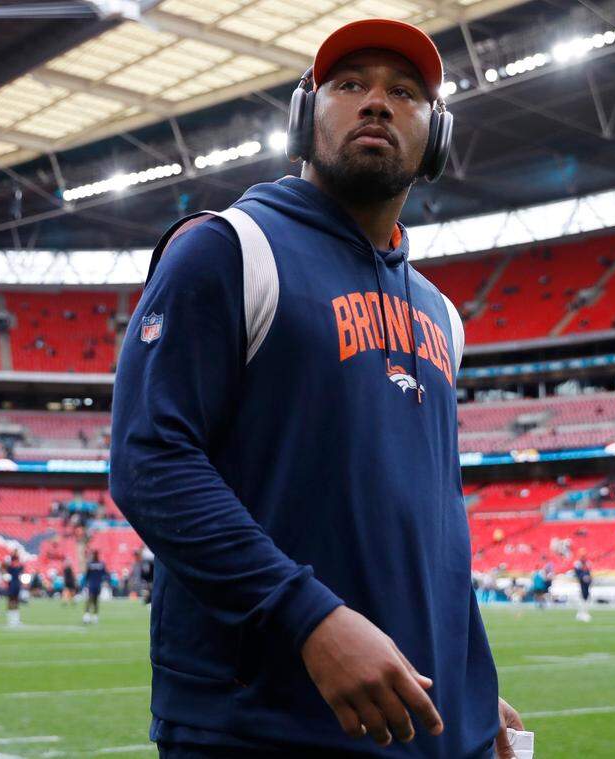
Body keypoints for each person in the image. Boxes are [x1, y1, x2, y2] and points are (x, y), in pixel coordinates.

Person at [109, 18, 519, 758]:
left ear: (438, 135)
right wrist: (310, 618)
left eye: (404, 92)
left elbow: (436, 520)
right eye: (349, 84)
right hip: (260, 726)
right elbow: (150, 459)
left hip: (415, 718)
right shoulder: (228, 249)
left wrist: (467, 686)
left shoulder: (442, 315)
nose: (375, 103)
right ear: (305, 113)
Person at [82, 550, 108, 625]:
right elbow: (105, 574)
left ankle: (89, 616)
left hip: (94, 585)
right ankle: (91, 616)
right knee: (93, 601)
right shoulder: (100, 564)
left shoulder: (91, 564)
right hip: (95, 585)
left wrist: (84, 584)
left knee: (92, 600)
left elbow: (87, 575)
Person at [5, 552, 23, 627]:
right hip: (15, 585)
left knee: (13, 601)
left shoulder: (12, 566)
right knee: (14, 601)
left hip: (13, 585)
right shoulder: (15, 566)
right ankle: (14, 619)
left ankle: (13, 619)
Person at [573, 557, 592, 622]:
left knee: (586, 598)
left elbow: (589, 573)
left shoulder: (587, 564)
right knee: (581, 598)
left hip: (586, 584)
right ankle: (581, 613)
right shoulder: (578, 564)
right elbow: (577, 573)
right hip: (581, 584)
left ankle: (584, 613)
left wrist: (588, 578)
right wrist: (583, 577)